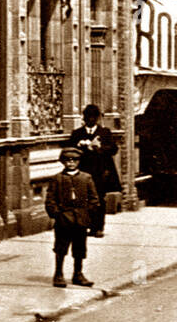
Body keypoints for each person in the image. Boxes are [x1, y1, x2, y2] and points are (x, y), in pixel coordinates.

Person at [44, 146, 97, 287]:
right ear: (63, 162)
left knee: (79, 248)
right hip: (64, 220)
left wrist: (87, 215)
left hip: (81, 220)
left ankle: (78, 274)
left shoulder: (86, 178)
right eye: (67, 160)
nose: (71, 163)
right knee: (61, 248)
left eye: (74, 160)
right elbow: (50, 200)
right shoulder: (57, 179)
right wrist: (57, 214)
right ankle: (58, 274)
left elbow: (94, 199)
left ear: (79, 162)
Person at [68, 104, 121, 237]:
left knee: (98, 200)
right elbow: (70, 151)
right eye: (88, 117)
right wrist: (81, 146)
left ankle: (98, 227)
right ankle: (85, 225)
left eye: (93, 117)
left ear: (97, 118)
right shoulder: (77, 134)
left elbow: (114, 149)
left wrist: (99, 148)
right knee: (83, 199)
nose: (90, 120)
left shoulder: (105, 133)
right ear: (84, 118)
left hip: (100, 172)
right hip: (83, 173)